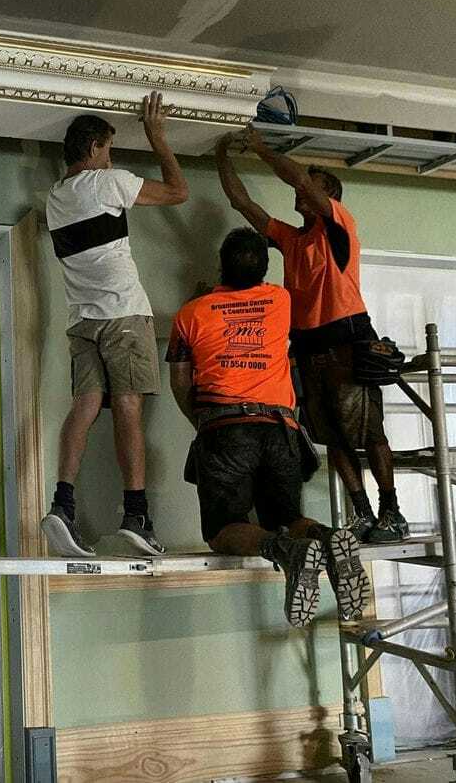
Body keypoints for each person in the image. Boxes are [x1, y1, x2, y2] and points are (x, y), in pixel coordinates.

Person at [216, 128, 409, 544]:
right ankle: (362, 514)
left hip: (347, 342)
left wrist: (262, 148)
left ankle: (392, 511)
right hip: (307, 348)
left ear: (329, 199)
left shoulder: (338, 228)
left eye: (312, 189)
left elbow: (299, 180)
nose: (300, 194)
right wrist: (220, 154)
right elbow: (241, 203)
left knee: (369, 431)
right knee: (332, 438)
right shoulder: (291, 239)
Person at [168, 228, 368, 626]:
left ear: (220, 266)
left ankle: (286, 551)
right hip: (281, 429)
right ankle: (328, 539)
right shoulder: (281, 300)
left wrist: (203, 423)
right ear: (265, 268)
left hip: (225, 428)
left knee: (223, 529)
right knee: (289, 515)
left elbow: (179, 380)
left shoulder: (190, 314)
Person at [40, 93, 189, 558]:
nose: (111, 157)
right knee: (128, 409)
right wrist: (158, 139)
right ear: (93, 150)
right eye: (108, 148)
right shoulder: (106, 183)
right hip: (123, 316)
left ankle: (61, 504)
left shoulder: (55, 199)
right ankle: (135, 515)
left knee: (85, 406)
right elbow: (179, 191)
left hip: (82, 322)